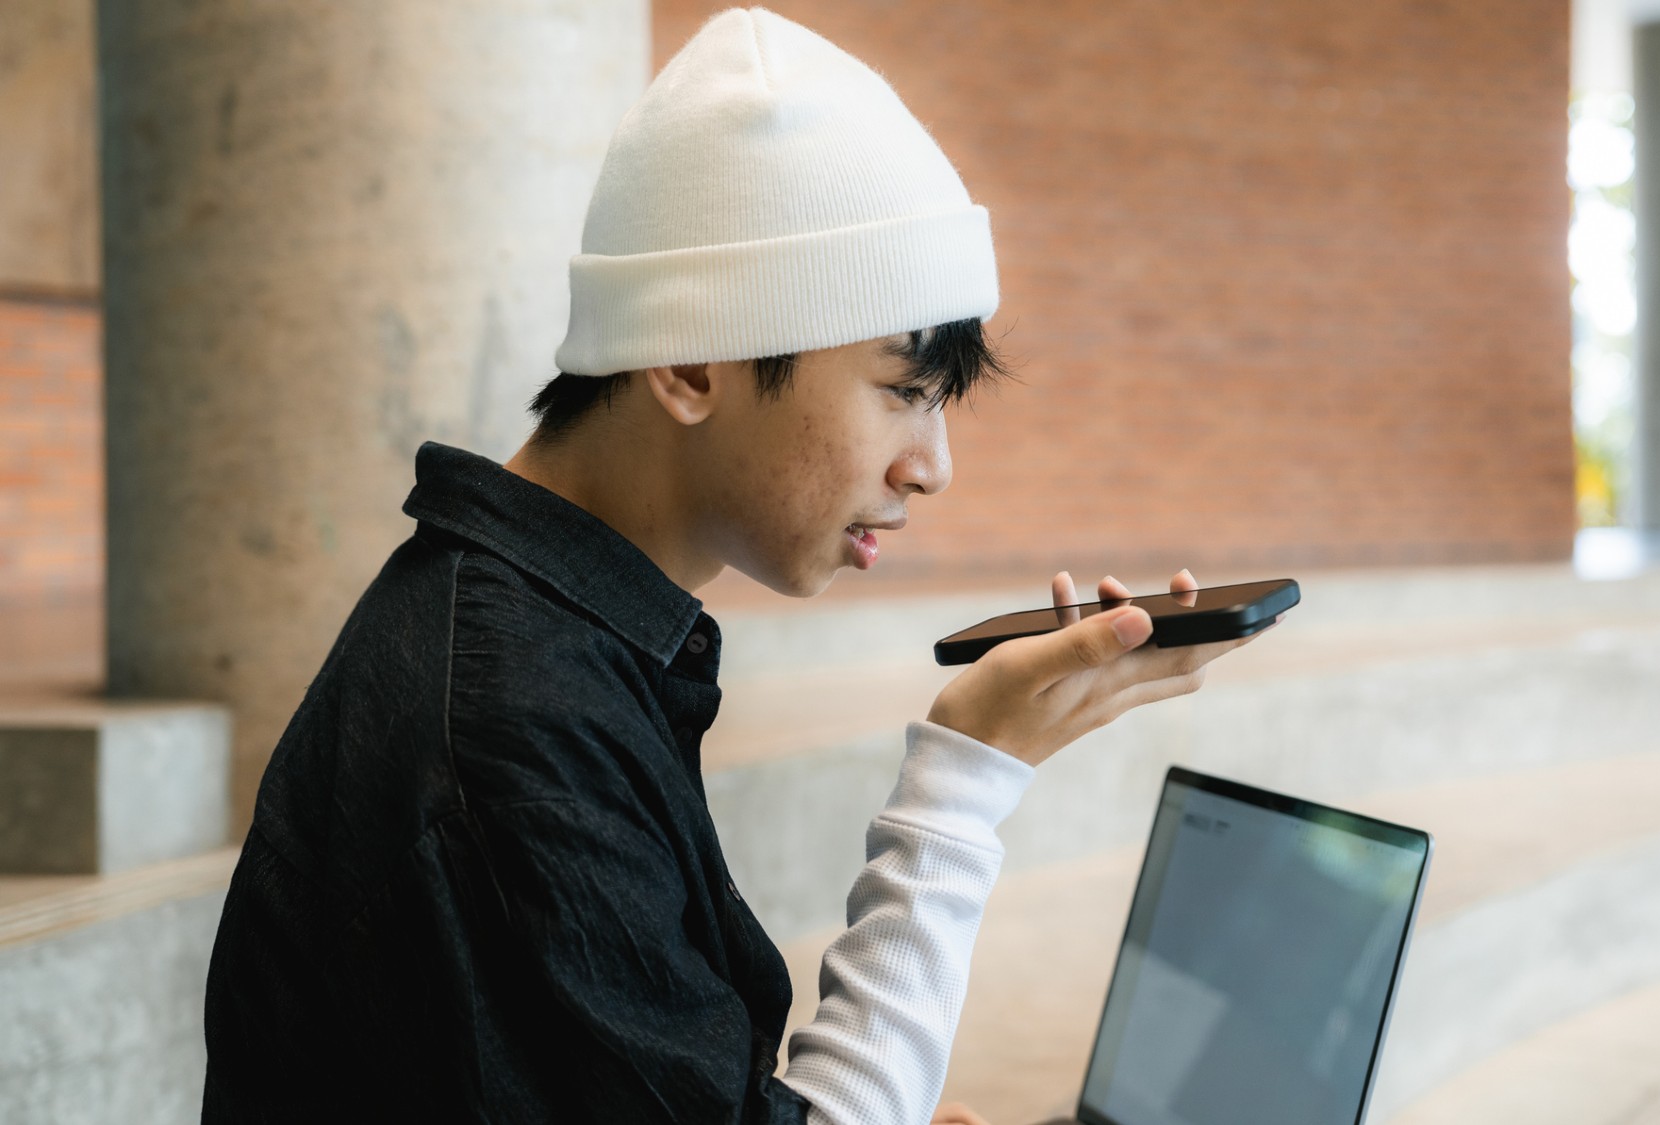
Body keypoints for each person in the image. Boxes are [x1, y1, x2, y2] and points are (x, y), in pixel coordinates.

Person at [200, 8, 1278, 1123]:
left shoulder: (536, 634)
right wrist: (962, 781)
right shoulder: (513, 712)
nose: (932, 468)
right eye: (902, 391)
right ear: (689, 361)